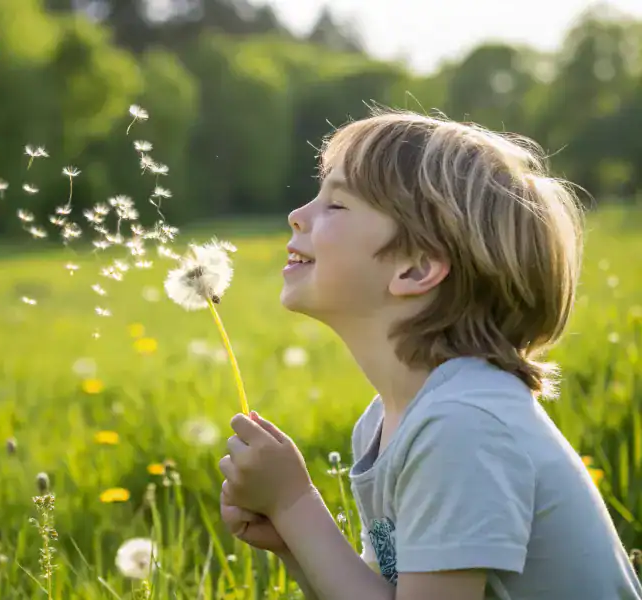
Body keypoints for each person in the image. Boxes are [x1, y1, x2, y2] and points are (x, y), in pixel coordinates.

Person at [218, 108, 642, 600]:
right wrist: (292, 540)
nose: (299, 214)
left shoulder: (462, 425)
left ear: (417, 269)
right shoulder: (391, 419)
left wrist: (295, 505)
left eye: (337, 204)